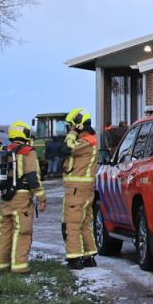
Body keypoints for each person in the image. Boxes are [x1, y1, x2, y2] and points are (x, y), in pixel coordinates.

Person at [0, 121, 45, 274]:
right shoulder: (28, 152)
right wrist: (42, 198)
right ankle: (20, 267)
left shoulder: (4, 151)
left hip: (5, 198)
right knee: (22, 232)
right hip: (22, 198)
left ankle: (1, 265)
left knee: (5, 233)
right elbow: (32, 177)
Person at [61, 109, 99, 269]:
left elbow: (66, 149)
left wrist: (72, 133)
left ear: (78, 125)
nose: (70, 128)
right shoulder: (89, 140)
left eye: (71, 125)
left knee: (72, 224)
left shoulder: (85, 142)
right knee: (84, 223)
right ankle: (89, 256)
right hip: (84, 189)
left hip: (77, 189)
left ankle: (74, 259)